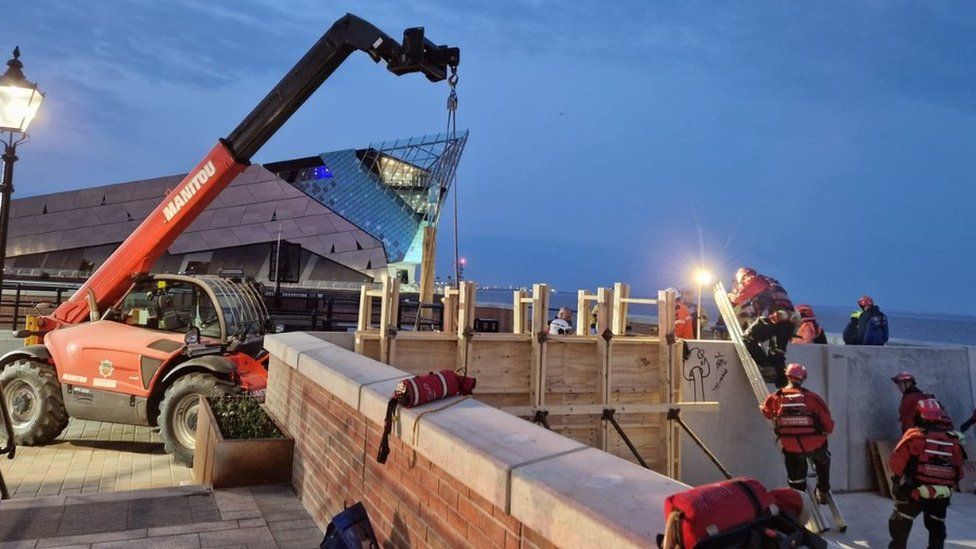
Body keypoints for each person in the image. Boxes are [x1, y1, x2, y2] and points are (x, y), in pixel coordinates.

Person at [888, 399, 965, 549]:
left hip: (914, 492)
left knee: (900, 525)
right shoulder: (953, 441)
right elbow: (959, 472)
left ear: (918, 415)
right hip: (941, 495)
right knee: (937, 529)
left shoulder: (914, 436)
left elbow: (896, 464)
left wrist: (898, 482)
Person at [761, 363, 834, 504]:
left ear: (787, 376)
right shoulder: (813, 398)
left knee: (796, 480)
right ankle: (823, 490)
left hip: (791, 447)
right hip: (815, 446)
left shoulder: (775, 398)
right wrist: (823, 434)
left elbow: (766, 413)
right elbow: (828, 424)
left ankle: (798, 499)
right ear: (803, 378)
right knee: (824, 459)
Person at [728, 267, 798, 387]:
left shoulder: (756, 280)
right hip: (789, 321)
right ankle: (785, 389)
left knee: (747, 338)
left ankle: (766, 368)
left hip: (774, 318)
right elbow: (754, 308)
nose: (741, 284)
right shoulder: (771, 283)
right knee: (777, 356)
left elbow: (740, 297)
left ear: (744, 276)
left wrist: (730, 296)